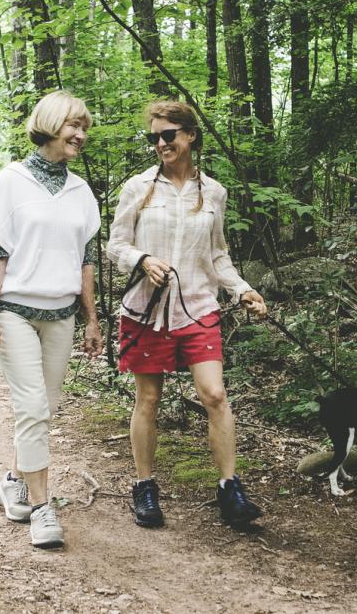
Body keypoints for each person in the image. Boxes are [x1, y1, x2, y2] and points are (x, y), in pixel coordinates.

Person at [107, 100, 269, 529]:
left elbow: (218, 256)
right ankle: (145, 487)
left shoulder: (213, 192)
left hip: (198, 307)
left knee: (214, 395)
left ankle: (230, 489)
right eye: (153, 138)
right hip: (146, 312)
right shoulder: (137, 188)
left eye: (168, 135)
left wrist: (244, 290)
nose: (160, 144)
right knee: (149, 399)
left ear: (190, 135)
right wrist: (142, 260)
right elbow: (116, 245)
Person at [0, 91, 103, 549]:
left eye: (85, 128)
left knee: (44, 410)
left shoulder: (80, 191)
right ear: (50, 124)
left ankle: (12, 479)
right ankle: (43, 506)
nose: (81, 135)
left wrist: (92, 319)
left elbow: (87, 261)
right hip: (15, 313)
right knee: (32, 408)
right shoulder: (11, 181)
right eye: (74, 126)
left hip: (62, 316)